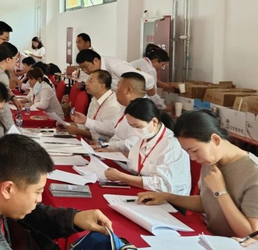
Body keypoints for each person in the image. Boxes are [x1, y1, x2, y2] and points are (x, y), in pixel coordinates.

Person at [138, 110, 258, 238]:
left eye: (195, 150)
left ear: (215, 139)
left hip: (235, 246)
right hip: (210, 238)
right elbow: (206, 202)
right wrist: (166, 197)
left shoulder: (253, 172)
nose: (192, 158)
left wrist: (220, 192)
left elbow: (252, 234)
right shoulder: (210, 162)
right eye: (187, 152)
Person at [104, 98, 191, 194]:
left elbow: (163, 185)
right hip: (144, 189)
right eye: (131, 126)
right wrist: (112, 153)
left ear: (154, 122)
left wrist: (122, 177)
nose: (134, 130)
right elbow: (136, 162)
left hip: (167, 198)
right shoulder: (146, 137)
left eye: (137, 126)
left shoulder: (171, 145)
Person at [68, 69, 123, 141]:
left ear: (102, 86)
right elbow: (88, 126)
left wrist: (81, 128)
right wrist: (68, 125)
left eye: (90, 81)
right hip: (91, 142)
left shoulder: (113, 104)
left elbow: (109, 132)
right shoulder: (95, 99)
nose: (86, 83)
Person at [76, 49, 157, 98]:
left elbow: (147, 79)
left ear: (95, 60)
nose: (85, 71)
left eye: (86, 67)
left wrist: (151, 95)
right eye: (82, 69)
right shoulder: (93, 70)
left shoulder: (115, 66)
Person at [101, 72, 146, 153]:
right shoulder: (126, 106)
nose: (115, 90)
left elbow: (131, 145)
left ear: (128, 90)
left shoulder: (141, 111)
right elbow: (113, 128)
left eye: (118, 86)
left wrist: (107, 146)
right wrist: (104, 144)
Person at [0, 42, 24, 135]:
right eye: (16, 59)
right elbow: (3, 107)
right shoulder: (1, 76)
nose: (16, 63)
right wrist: (13, 130)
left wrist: (12, 97)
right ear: (8, 59)